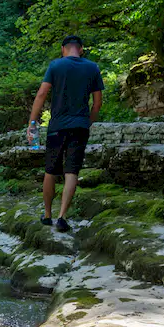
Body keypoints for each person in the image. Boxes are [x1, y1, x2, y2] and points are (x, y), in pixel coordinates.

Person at [26, 35, 103, 232]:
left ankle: (47, 215)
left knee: (51, 170)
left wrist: (32, 123)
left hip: (57, 126)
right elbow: (97, 103)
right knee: (72, 171)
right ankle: (62, 217)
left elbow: (41, 94)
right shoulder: (92, 68)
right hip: (80, 126)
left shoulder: (56, 66)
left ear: (63, 49)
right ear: (81, 49)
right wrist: (88, 122)